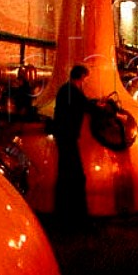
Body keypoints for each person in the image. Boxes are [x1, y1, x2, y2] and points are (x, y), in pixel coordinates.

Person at [53, 64, 91, 231]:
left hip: (62, 136)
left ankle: (62, 214)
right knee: (77, 177)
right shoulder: (74, 92)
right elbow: (88, 107)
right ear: (81, 77)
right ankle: (77, 218)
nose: (85, 81)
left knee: (64, 175)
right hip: (68, 137)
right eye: (85, 78)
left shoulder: (64, 89)